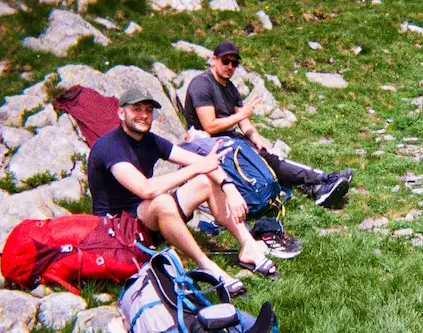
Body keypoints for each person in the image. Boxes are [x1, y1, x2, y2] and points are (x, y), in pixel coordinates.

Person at [87, 88, 280, 295]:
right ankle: (208, 266)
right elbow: (146, 189)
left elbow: (203, 163)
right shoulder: (109, 147)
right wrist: (199, 167)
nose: (143, 115)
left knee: (206, 180)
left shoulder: (150, 141)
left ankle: (249, 247)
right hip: (118, 226)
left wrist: (229, 187)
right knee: (163, 200)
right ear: (121, 113)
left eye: (148, 110)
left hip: (146, 216)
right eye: (137, 109)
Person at [183, 41, 352, 207]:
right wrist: (241, 115)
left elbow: (243, 121)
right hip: (208, 144)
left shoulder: (230, 87)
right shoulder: (202, 85)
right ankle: (324, 180)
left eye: (234, 63)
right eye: (225, 61)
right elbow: (209, 126)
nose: (230, 67)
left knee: (266, 156)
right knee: (267, 160)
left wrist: (255, 137)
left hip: (229, 139)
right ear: (214, 60)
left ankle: (317, 188)